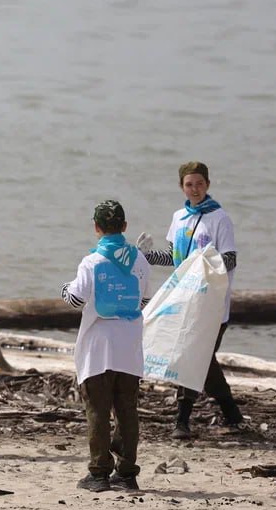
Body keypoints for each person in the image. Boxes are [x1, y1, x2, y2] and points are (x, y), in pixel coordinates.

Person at [140, 160, 242, 438]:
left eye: (199, 183)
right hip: (184, 303)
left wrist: (204, 261)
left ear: (208, 184)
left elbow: (230, 260)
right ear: (181, 187)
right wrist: (145, 255)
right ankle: (232, 416)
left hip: (211, 306)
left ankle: (182, 421)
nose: (194, 189)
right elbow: (174, 260)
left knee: (196, 358)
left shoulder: (219, 218)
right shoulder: (178, 218)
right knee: (200, 360)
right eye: (189, 184)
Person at [60, 200, 150, 492]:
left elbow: (75, 299)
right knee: (127, 409)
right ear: (124, 227)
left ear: (96, 228)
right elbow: (145, 300)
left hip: (98, 345)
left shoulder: (92, 262)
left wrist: (65, 288)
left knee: (97, 409)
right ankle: (126, 474)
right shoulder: (139, 260)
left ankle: (98, 474)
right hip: (129, 343)